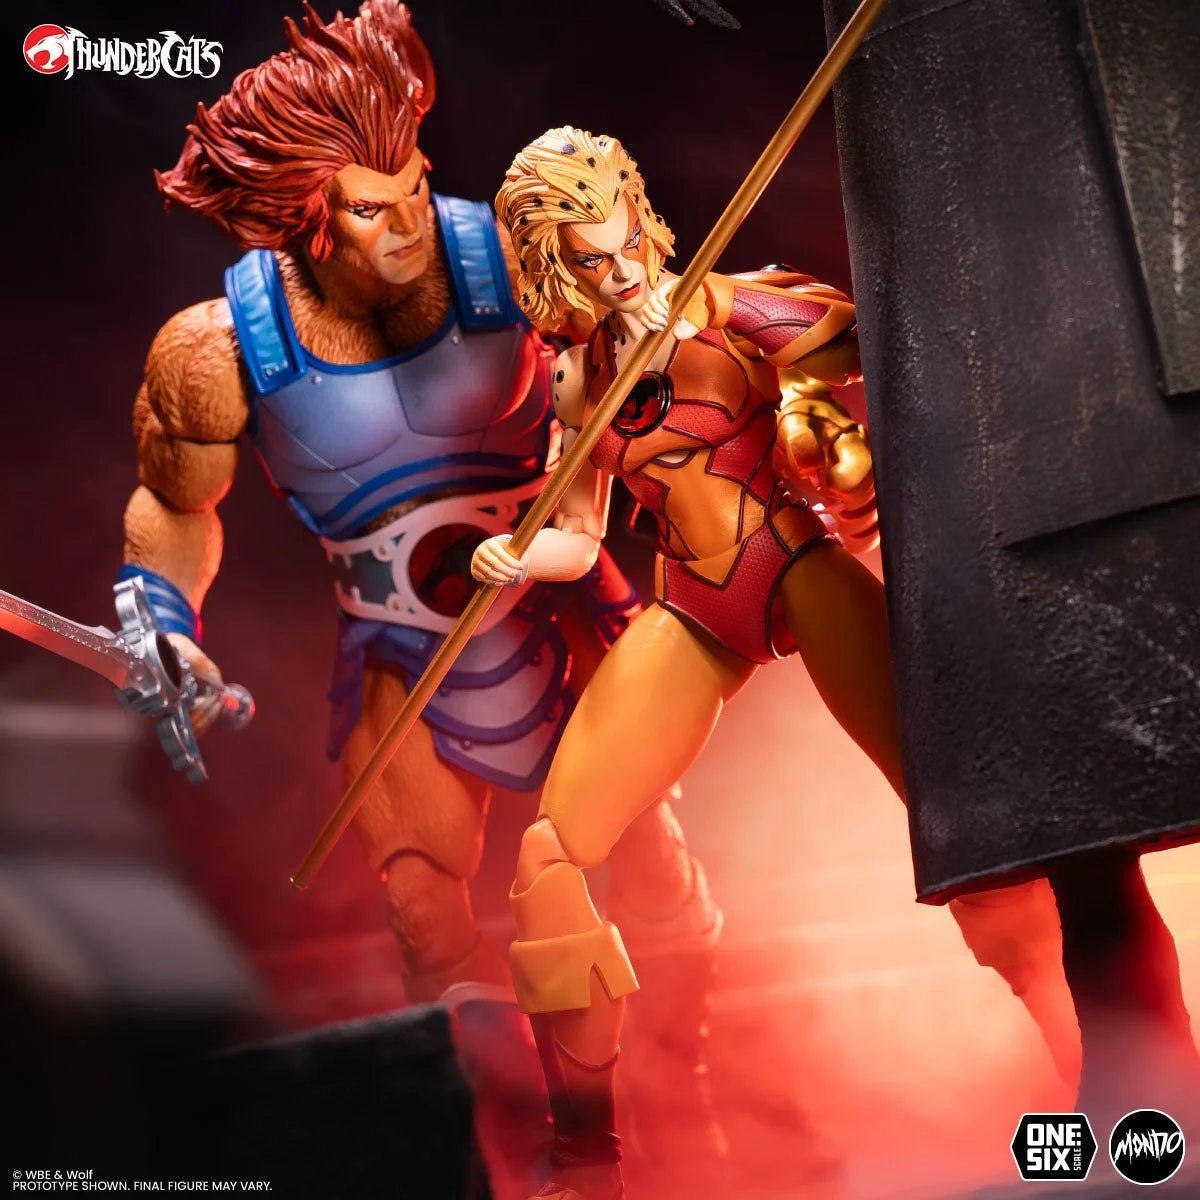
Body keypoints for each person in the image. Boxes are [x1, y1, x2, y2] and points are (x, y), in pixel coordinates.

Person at [121, 7, 725, 1191]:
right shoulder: (218, 348)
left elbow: (652, 337)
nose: (407, 225)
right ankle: (510, 1151)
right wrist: (162, 619)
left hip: (558, 603)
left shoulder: (511, 251)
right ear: (304, 220)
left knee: (647, 858)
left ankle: (697, 1080)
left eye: (411, 191)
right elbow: (175, 509)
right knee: (423, 916)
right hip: (403, 643)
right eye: (369, 211)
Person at [477, 126, 1077, 1200]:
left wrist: (749, 340)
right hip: (695, 606)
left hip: (794, 560)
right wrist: (518, 556)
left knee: (963, 818)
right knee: (549, 859)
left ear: (642, 216)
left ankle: (1103, 1080)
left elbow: (877, 346)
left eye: (626, 243)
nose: (622, 273)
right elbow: (579, 531)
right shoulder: (580, 376)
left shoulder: (732, 302)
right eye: (591, 261)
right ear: (554, 266)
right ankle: (586, 1166)